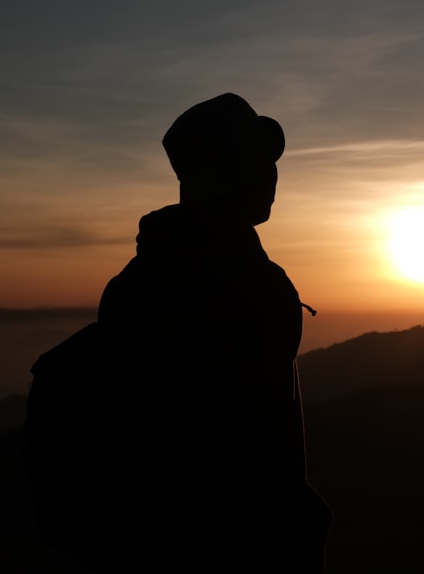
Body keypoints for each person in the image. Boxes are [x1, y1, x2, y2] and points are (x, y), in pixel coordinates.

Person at [93, 93, 331, 572]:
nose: (274, 175)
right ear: (235, 174)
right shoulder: (255, 285)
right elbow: (261, 459)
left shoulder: (129, 286)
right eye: (261, 162)